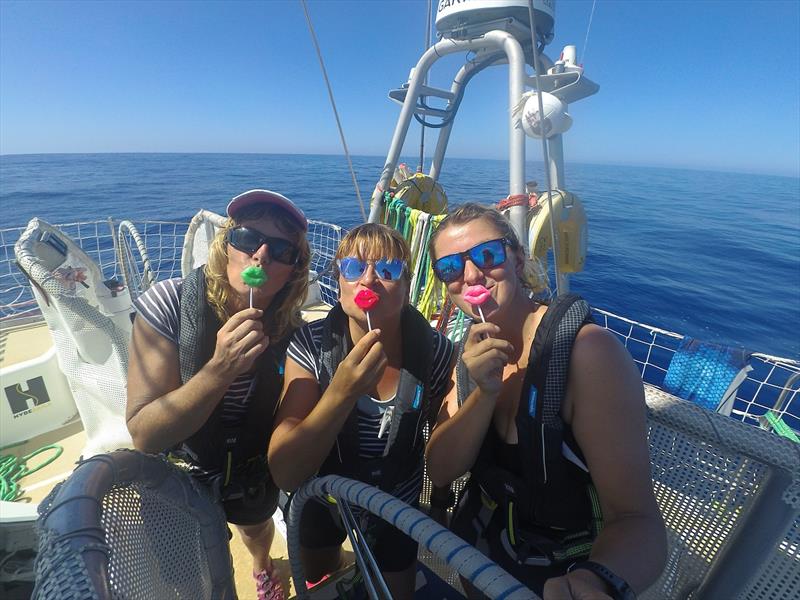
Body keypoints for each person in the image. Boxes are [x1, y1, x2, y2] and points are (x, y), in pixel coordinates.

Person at [425, 203, 666, 600]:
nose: (470, 274)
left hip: (560, 572)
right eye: (450, 267)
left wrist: (594, 580)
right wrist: (484, 395)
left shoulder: (588, 355)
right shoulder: (469, 354)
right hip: (481, 560)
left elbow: (636, 518)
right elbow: (440, 468)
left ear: (518, 258)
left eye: (487, 255)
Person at [126, 189, 311, 600]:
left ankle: (262, 567)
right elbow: (144, 434)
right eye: (247, 238)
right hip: (181, 467)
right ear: (226, 244)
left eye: (281, 250)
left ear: (294, 271)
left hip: (248, 466)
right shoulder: (168, 305)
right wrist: (220, 369)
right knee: (189, 578)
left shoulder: (293, 332)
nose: (260, 255)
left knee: (258, 526)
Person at [268, 223, 454, 600]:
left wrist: (438, 502)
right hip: (323, 492)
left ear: (406, 287)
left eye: (387, 270)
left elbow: (442, 437)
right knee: (320, 573)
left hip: (395, 500)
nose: (368, 279)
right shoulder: (310, 345)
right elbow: (284, 471)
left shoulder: (434, 352)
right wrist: (341, 392)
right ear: (338, 282)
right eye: (353, 268)